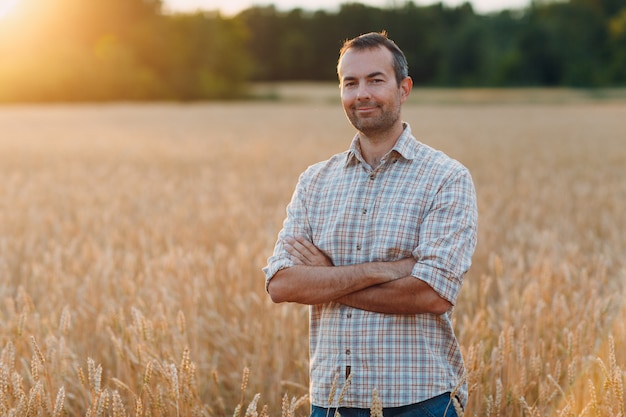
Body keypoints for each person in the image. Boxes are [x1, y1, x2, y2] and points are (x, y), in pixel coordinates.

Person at [263, 31, 478, 417]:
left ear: (404, 88)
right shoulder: (315, 181)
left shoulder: (446, 178)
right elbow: (281, 284)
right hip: (332, 403)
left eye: (375, 80)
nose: (362, 93)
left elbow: (432, 294)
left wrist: (327, 280)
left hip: (420, 401)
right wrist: (386, 270)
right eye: (350, 83)